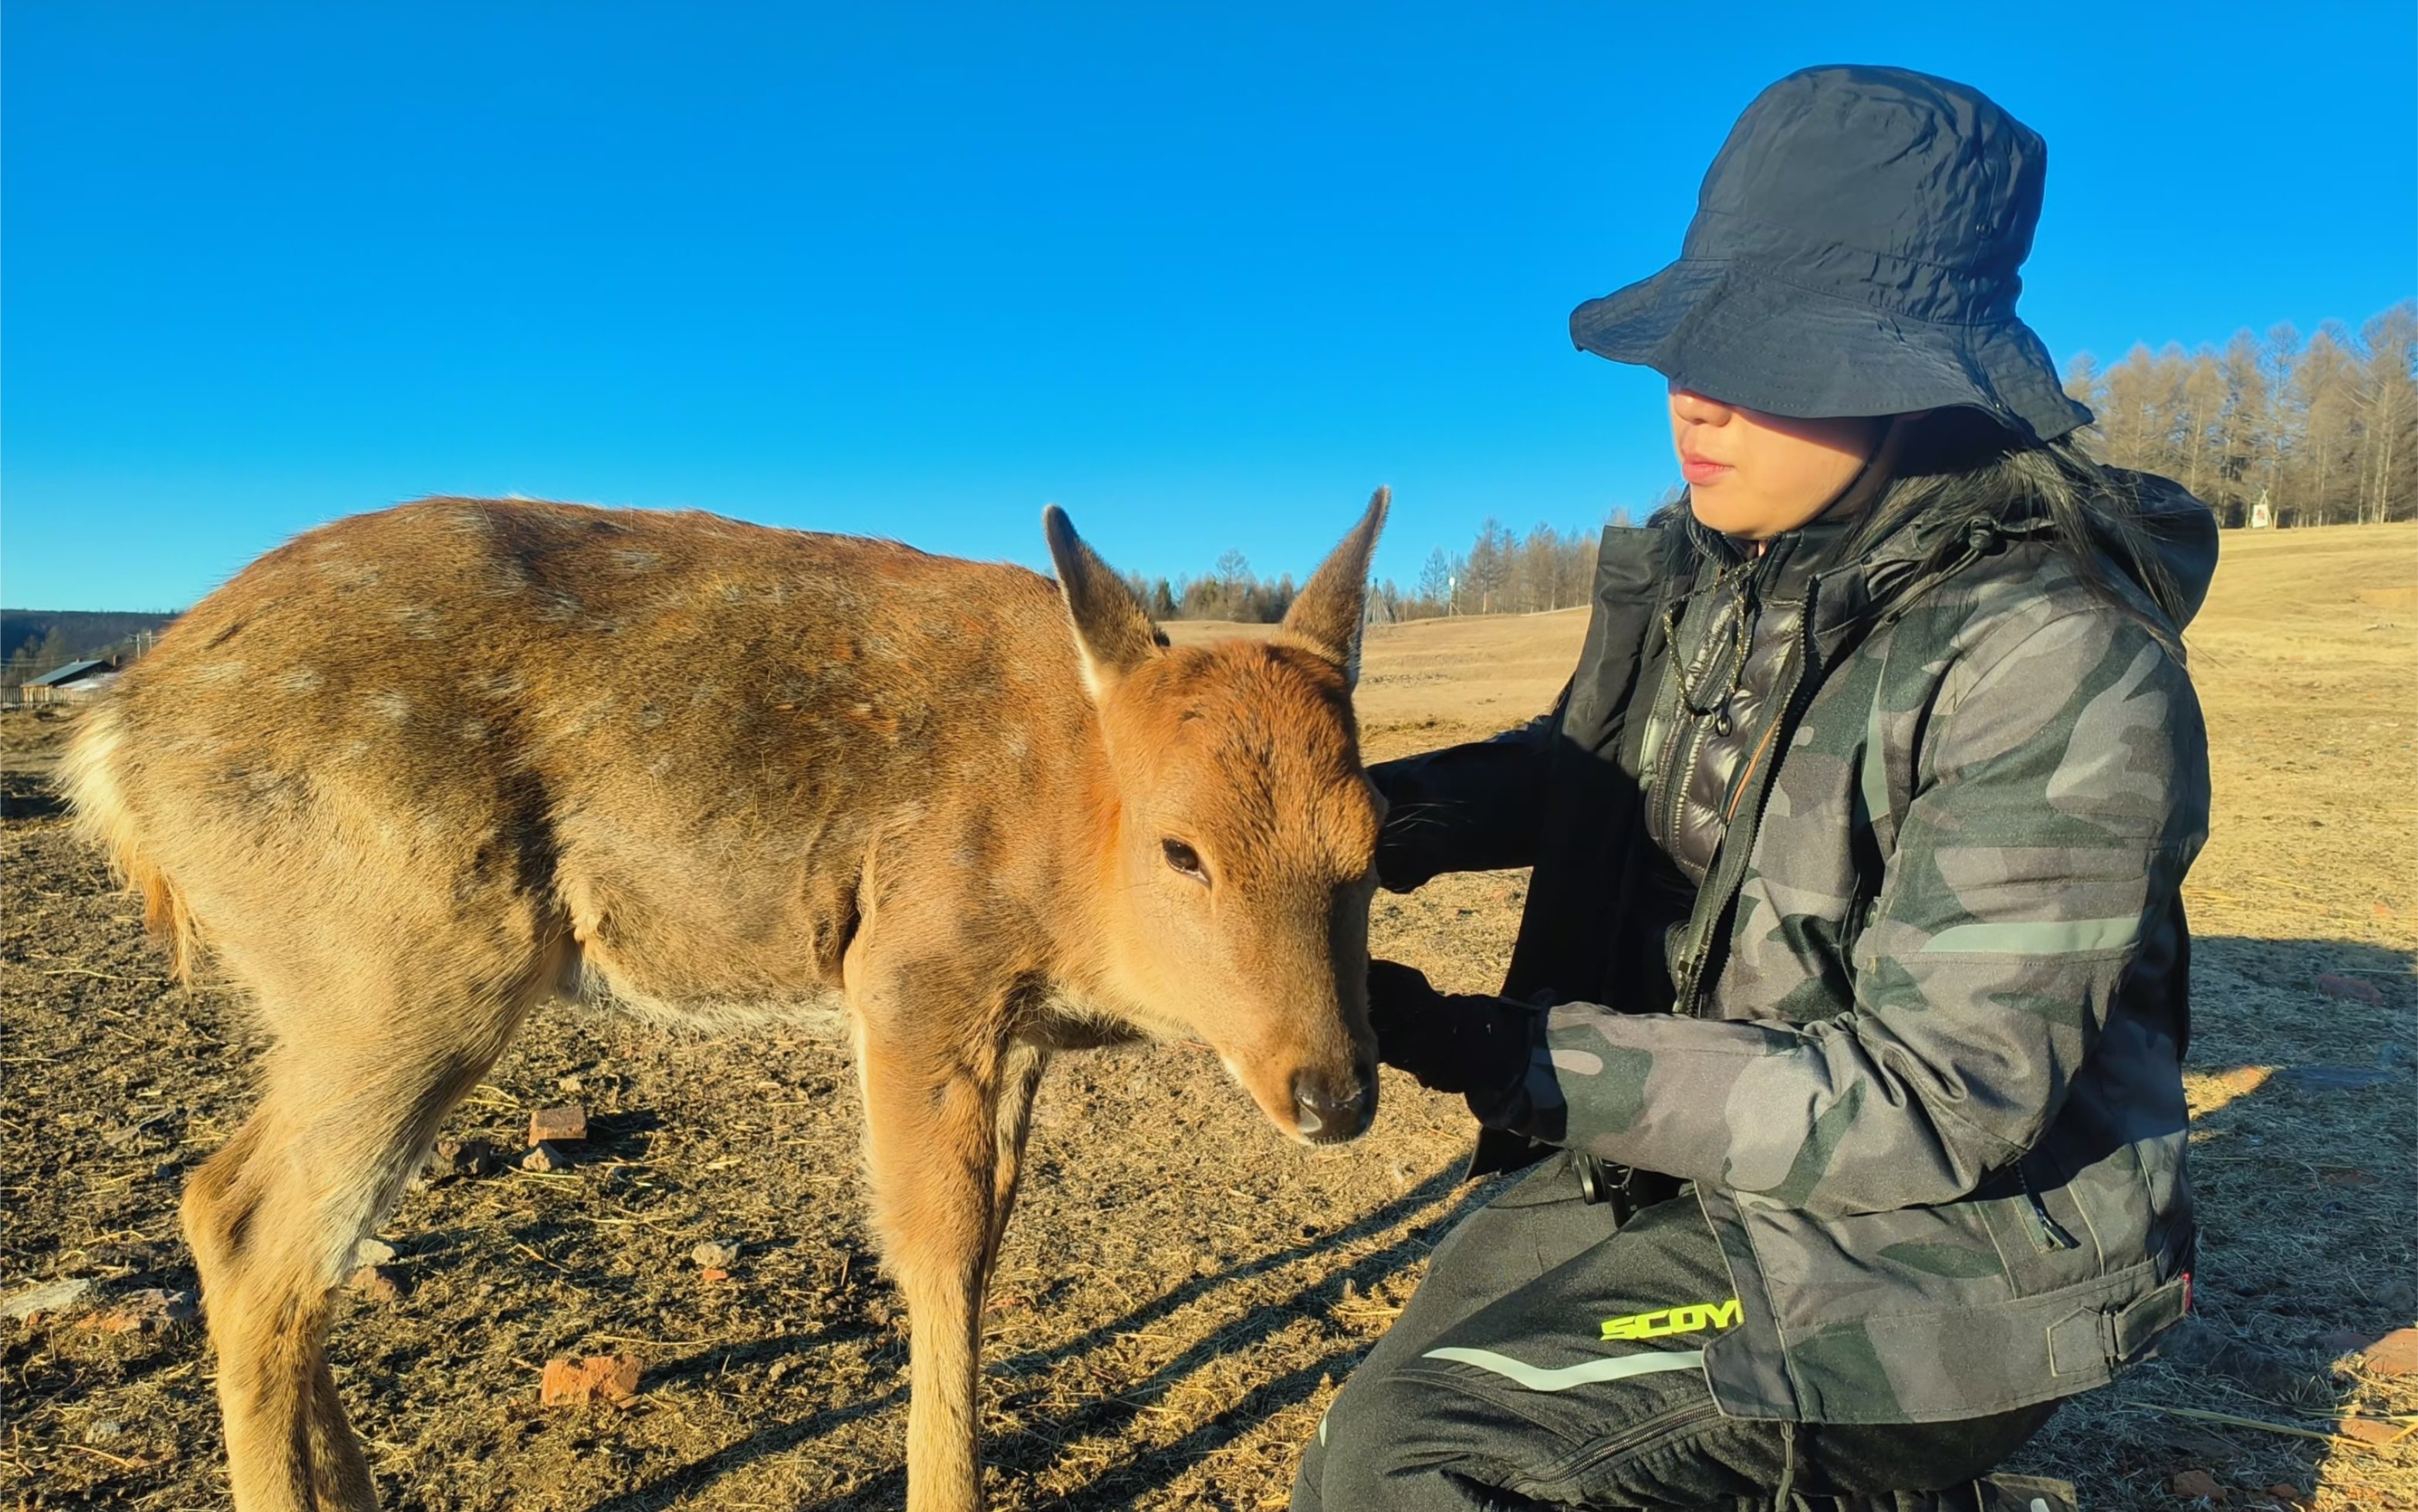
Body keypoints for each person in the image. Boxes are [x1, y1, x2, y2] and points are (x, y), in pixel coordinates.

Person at [1293, 65, 2217, 1512]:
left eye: (1775, 353)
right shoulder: (1731, 572)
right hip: (1702, 1147)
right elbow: (1586, 775)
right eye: (1696, 337)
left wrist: (1488, 1047)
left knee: (1418, 1468)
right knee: (1401, 1396)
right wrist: (1326, 832)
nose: (1695, 391)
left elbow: (1935, 1106)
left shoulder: (2058, 661)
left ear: (1919, 377)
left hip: (1938, 1249)